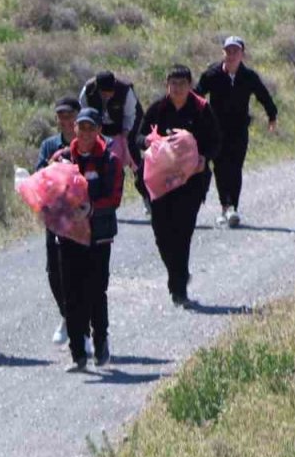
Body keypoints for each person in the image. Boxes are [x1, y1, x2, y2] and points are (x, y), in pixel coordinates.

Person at [138, 64, 220, 308]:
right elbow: (139, 137)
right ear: (167, 85)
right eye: (173, 84)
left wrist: (203, 159)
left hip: (191, 182)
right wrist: (149, 143)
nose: (177, 88)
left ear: (189, 85)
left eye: (182, 84)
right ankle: (177, 274)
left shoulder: (202, 109)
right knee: (162, 234)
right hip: (161, 182)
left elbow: (216, 141)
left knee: (182, 233)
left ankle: (179, 287)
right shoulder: (157, 109)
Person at [48, 108, 123, 372]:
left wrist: (90, 209)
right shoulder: (62, 158)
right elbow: (49, 188)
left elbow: (113, 198)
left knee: (95, 291)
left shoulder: (110, 161)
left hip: (99, 237)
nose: (87, 133)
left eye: (92, 128)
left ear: (99, 130)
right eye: (82, 127)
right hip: (68, 237)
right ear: (75, 130)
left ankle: (101, 340)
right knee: (72, 294)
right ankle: (78, 354)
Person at [195, 36, 278, 228]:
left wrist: (272, 116)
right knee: (220, 167)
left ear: (242, 54)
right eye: (228, 51)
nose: (231, 55)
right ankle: (226, 207)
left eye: (235, 52)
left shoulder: (249, 76)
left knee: (235, 168)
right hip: (216, 130)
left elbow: (264, 96)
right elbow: (197, 96)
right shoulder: (212, 74)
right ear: (223, 53)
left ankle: (233, 208)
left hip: (239, 129)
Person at [35, 96, 80, 346]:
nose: (65, 121)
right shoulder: (49, 145)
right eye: (61, 116)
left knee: (80, 271)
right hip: (55, 217)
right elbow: (38, 174)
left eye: (69, 115)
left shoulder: (87, 143)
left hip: (82, 218)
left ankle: (81, 322)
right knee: (54, 271)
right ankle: (67, 315)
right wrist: (51, 167)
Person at [79, 70, 150, 213]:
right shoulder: (87, 91)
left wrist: (125, 134)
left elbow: (130, 115)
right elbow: (84, 114)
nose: (108, 96)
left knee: (133, 158)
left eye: (110, 92)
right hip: (101, 127)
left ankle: (148, 198)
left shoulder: (125, 91)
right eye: (104, 93)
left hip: (128, 123)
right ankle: (105, 201)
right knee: (104, 161)